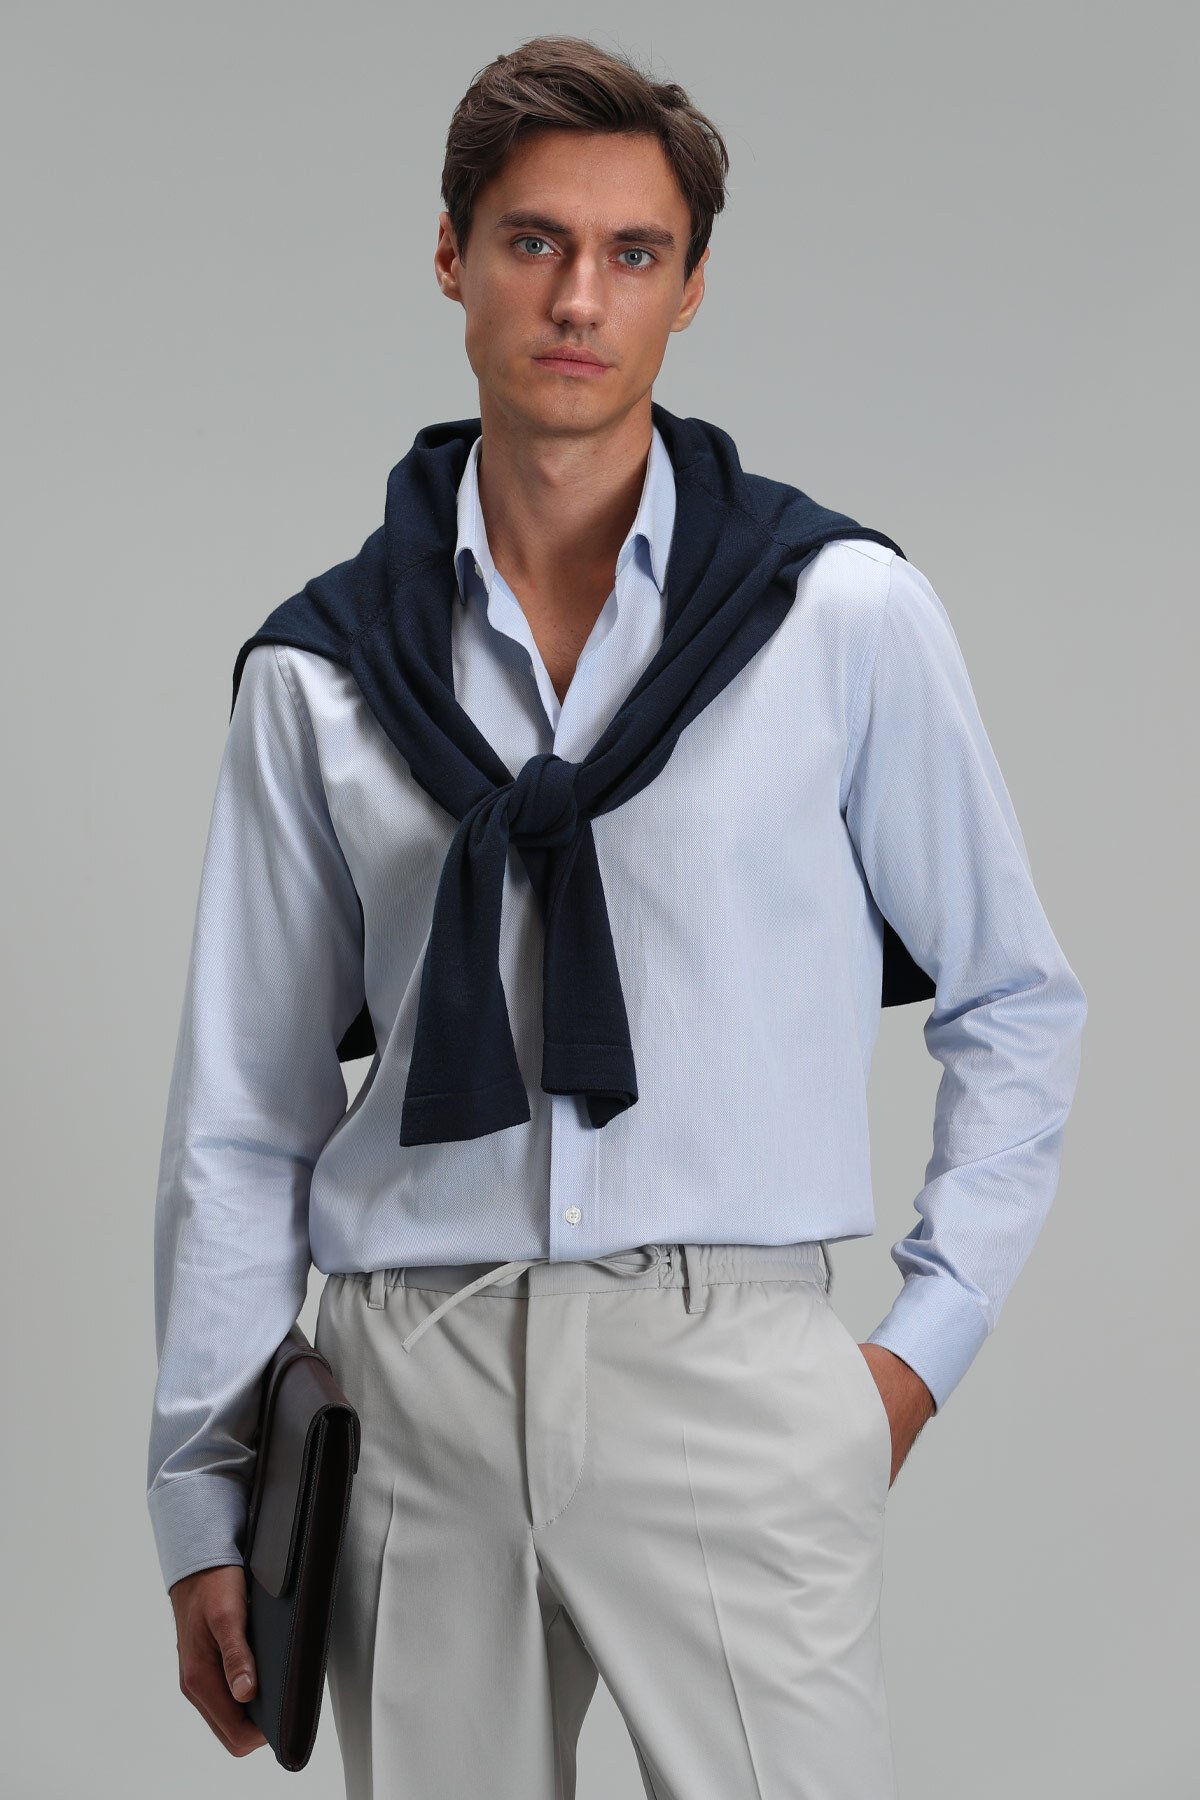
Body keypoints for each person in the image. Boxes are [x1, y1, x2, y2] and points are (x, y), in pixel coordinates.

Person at [148, 33, 1088, 1798]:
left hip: (727, 1371)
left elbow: (1015, 998)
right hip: (409, 1386)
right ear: (453, 257)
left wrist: (909, 1358)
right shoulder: (321, 673)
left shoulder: (836, 615)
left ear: (689, 285)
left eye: (631, 252)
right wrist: (202, 1487)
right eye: (533, 241)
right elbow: (244, 1110)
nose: (579, 297)